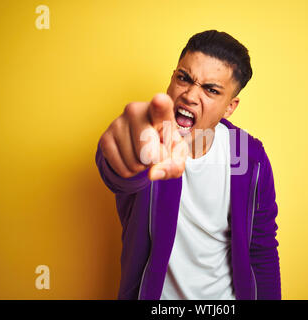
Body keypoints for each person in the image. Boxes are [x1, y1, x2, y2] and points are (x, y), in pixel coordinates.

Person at [95, 30, 281, 300]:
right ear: (172, 78)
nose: (190, 95)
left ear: (230, 107)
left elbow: (261, 249)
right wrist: (126, 160)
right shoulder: (147, 140)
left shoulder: (247, 155)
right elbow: (120, 173)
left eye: (211, 90)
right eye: (184, 78)